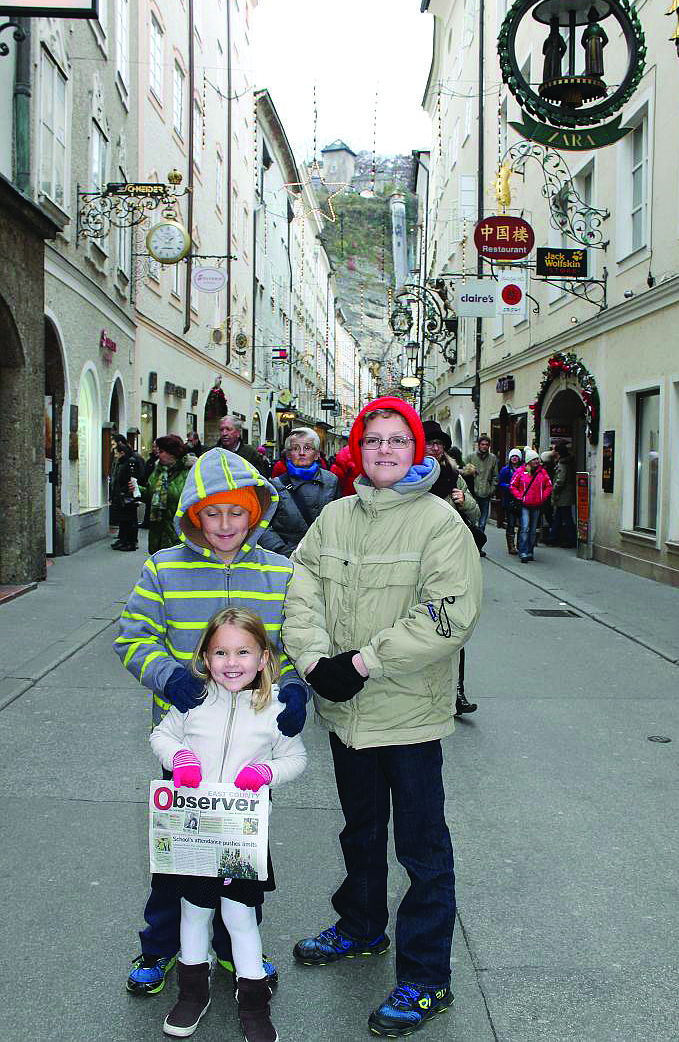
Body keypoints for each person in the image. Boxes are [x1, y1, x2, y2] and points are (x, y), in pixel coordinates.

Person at [282, 396, 482, 1037]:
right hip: (344, 712)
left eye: (398, 440)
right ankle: (362, 926)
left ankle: (426, 979)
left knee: (422, 849)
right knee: (360, 831)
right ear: (357, 451)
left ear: (417, 449)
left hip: (409, 716)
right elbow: (302, 588)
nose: (385, 451)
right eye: (374, 441)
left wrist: (363, 662)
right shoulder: (335, 517)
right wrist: (314, 662)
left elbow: (449, 614)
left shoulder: (439, 523)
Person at [114, 447, 309, 999]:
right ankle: (160, 945)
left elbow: (294, 646)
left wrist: (294, 691)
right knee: (178, 854)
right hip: (188, 747)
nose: (225, 525)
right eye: (213, 513)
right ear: (194, 515)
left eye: (237, 513)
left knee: (242, 854)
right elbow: (132, 637)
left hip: (252, 748)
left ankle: (237, 945)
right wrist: (167, 678)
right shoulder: (164, 568)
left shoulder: (278, 572)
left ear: (256, 514)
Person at [150, 607, 306, 1041]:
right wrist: (178, 757)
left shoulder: (275, 708)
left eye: (243, 652)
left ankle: (253, 1002)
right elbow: (161, 736)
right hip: (194, 834)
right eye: (220, 652)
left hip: (242, 839)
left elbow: (296, 758)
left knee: (241, 919)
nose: (231, 662)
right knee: (193, 914)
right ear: (204, 657)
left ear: (263, 659)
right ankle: (191, 996)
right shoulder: (193, 701)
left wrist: (267, 773)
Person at [423, 420, 479, 717]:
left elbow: (477, 513)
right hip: (417, 559)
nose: (436, 448)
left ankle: (456, 691)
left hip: (449, 558)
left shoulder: (454, 476)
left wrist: (465, 500)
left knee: (454, 623)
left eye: (439, 444)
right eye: (430, 443)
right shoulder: (407, 476)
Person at [260, 427, 339, 558]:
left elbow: (338, 521)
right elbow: (263, 525)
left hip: (323, 556)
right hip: (287, 558)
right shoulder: (275, 485)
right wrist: (282, 551)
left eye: (307, 448)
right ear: (288, 454)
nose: (302, 453)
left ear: (317, 454)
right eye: (295, 448)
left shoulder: (331, 481)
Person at [135, 435, 193, 555]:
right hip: (158, 531)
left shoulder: (189, 472)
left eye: (161, 451)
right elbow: (152, 496)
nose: (158, 454)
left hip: (179, 532)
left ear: (173, 453)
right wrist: (138, 490)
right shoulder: (159, 470)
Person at [510, 448, 553, 563]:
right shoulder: (520, 471)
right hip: (525, 504)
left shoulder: (542, 472)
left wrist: (542, 497)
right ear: (528, 461)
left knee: (533, 529)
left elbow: (549, 486)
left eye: (537, 459)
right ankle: (523, 551)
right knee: (525, 527)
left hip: (537, 504)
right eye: (534, 459)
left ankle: (530, 551)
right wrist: (520, 497)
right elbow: (513, 485)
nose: (537, 461)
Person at [462, 434, 499, 554]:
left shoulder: (493, 458)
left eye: (487, 444)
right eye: (482, 444)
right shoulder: (471, 457)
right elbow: (463, 473)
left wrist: (492, 489)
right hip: (473, 492)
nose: (484, 446)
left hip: (485, 492)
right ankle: (471, 545)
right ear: (479, 445)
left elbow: (495, 476)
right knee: (472, 521)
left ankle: (479, 547)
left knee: (483, 521)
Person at [110, 436, 143, 552]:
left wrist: (126, 492)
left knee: (129, 520)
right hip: (122, 496)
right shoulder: (122, 463)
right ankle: (124, 540)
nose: (115, 455)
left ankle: (131, 542)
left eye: (116, 453)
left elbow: (131, 480)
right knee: (124, 520)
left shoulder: (130, 463)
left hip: (128, 497)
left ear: (122, 453)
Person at [546, 440, 577, 548]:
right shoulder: (564, 462)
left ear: (558, 452)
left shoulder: (562, 464)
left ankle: (571, 539)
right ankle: (552, 537)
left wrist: (554, 490)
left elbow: (560, 480)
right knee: (559, 517)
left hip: (563, 495)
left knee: (566, 517)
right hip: (565, 495)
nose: (552, 451)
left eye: (554, 449)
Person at [498, 448, 523, 556]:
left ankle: (520, 545)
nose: (514, 458)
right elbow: (500, 483)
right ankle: (511, 546)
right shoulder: (505, 470)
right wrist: (509, 486)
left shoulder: (524, 469)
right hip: (509, 500)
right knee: (511, 523)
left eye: (516, 456)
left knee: (522, 524)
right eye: (513, 456)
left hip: (521, 500)